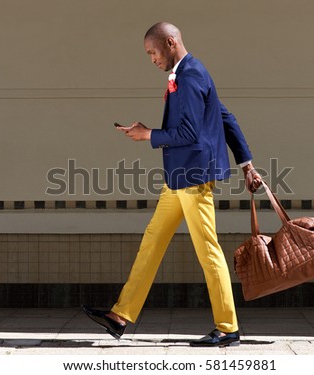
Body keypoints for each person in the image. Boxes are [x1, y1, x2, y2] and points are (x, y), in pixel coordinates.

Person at [83, 22, 262, 347]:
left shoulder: (191, 76)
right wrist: (247, 163)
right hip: (179, 178)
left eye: (152, 52)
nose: (151, 59)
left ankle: (228, 327)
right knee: (152, 241)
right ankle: (120, 315)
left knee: (208, 249)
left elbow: (191, 133)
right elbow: (224, 117)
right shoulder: (192, 72)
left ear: (170, 42)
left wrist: (148, 135)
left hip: (193, 177)